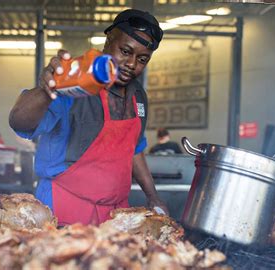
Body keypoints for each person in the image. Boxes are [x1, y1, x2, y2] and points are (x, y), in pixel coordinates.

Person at [9, 9, 169, 226]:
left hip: (115, 216)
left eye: (142, 59)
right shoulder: (76, 83)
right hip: (63, 209)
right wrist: (47, 89)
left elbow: (134, 149)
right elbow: (18, 121)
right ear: (108, 40)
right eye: (125, 51)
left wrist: (153, 196)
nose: (132, 64)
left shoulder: (138, 96)